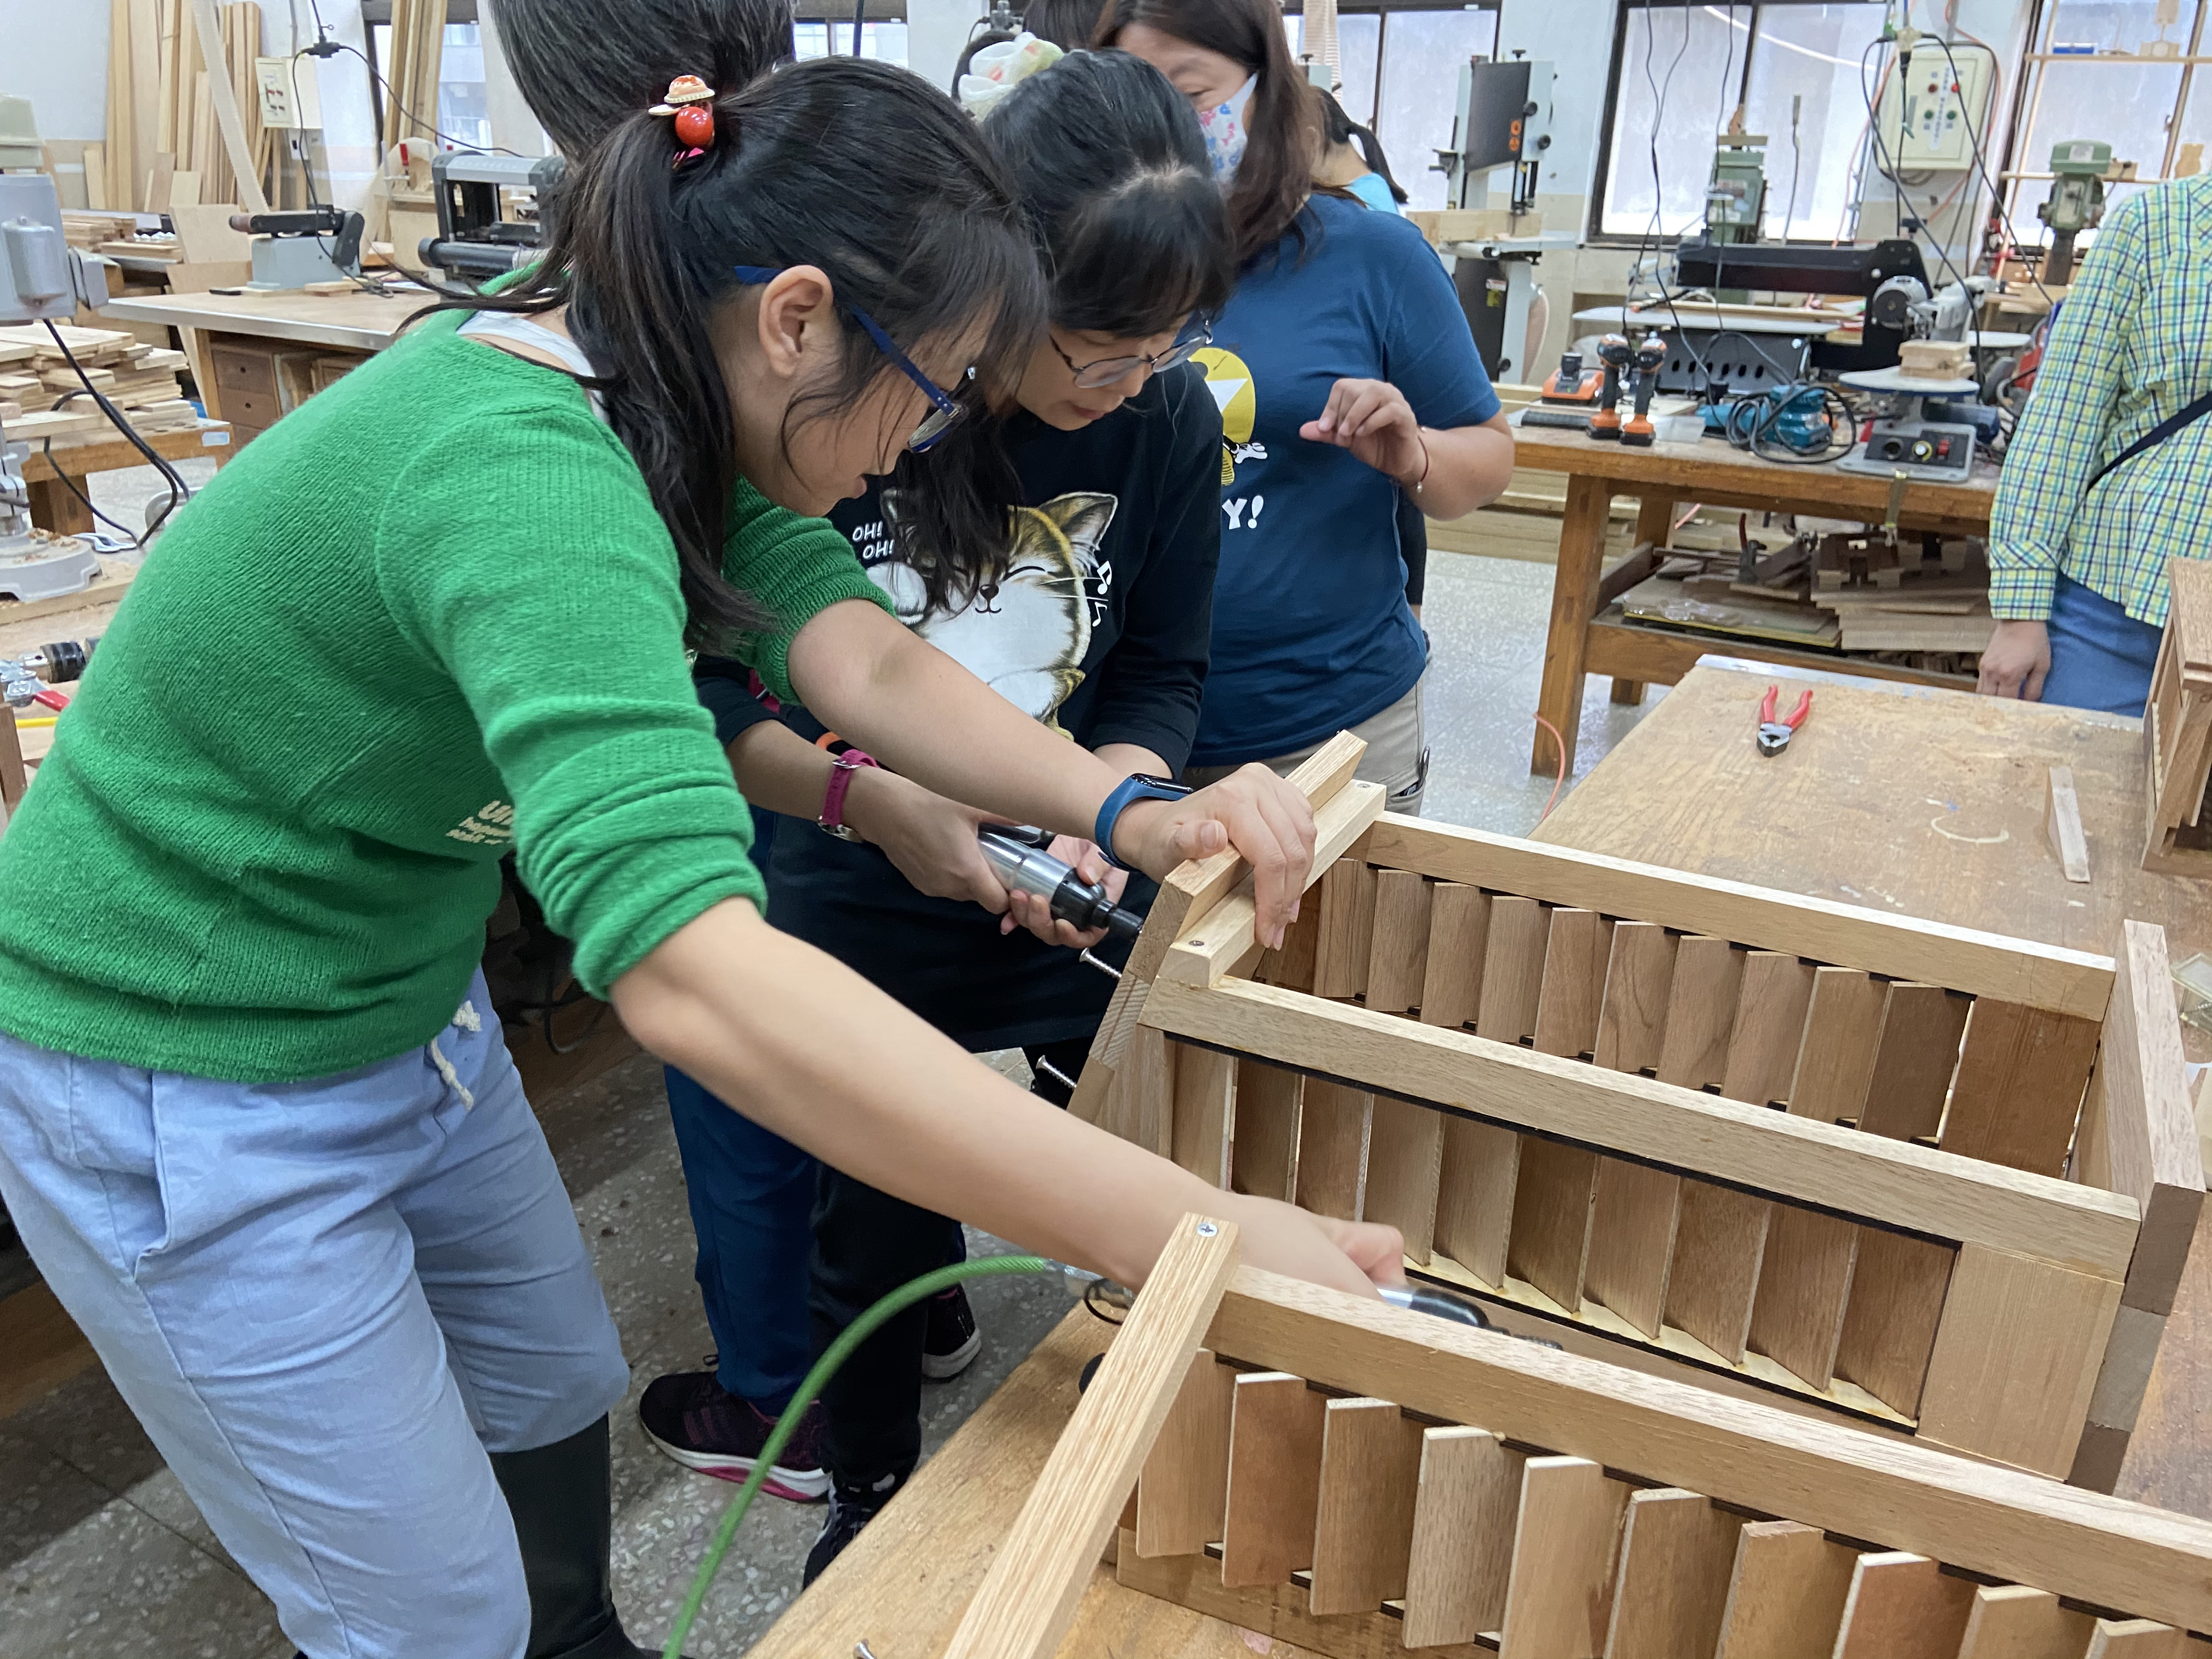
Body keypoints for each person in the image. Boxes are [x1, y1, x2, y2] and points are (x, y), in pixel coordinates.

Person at [0, 59, 1400, 1659]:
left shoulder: (670, 396)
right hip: (178, 1064)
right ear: (798, 319)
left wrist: (1128, 812)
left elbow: (862, 666)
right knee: (430, 1613)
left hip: (392, 995)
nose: (928, 439)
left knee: (547, 1381)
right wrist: (1187, 1231)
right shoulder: (534, 467)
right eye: (933, 386)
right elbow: (694, 980)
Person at [638, 48, 1239, 1576]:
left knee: (1126, 1151)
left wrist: (1121, 812)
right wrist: (876, 803)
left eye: (1161, 354)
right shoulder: (836, 416)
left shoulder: (1156, 421)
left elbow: (1147, 663)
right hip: (850, 884)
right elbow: (775, 695)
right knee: (873, 1223)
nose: (1122, 390)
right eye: (1095, 354)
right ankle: (872, 1501)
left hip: (1066, 881)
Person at [1100, 0, 1516, 813]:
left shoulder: (1371, 257)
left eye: (1190, 97)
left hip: (1326, 729)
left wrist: (1417, 457)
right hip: (1121, 730)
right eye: (1132, 98)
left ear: (1269, 90)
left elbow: (1490, 458)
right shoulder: (1089, 268)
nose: (1164, 130)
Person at [1979, 171, 2212, 716]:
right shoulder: (2157, 227)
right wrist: (2020, 613)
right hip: (2119, 618)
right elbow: (2061, 424)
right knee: (2055, 792)